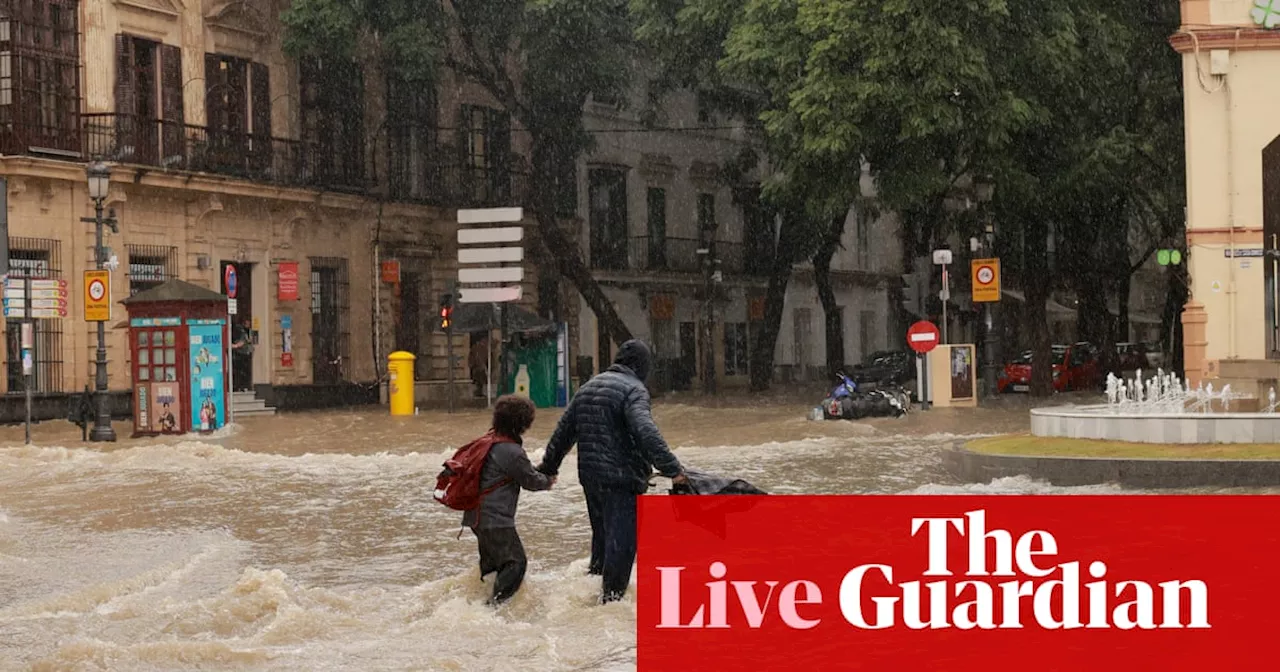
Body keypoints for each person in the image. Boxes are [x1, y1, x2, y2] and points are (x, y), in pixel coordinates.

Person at [537, 339, 688, 603]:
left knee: (603, 539)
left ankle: (590, 595)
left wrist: (549, 469)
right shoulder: (634, 390)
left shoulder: (587, 388)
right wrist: (673, 468)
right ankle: (611, 604)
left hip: (591, 478)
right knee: (623, 544)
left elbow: (563, 432)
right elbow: (645, 431)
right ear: (641, 366)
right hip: (621, 481)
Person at [465, 395, 556, 606]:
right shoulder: (511, 451)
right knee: (516, 563)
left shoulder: (489, 441)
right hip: (495, 519)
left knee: (493, 566)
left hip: (475, 517)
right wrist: (548, 481)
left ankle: (478, 604)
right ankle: (493, 608)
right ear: (522, 423)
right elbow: (531, 481)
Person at [231, 318, 253, 392]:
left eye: (249, 324)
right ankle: (239, 386)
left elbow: (244, 341)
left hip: (244, 353)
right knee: (240, 371)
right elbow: (241, 341)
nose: (248, 325)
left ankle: (242, 386)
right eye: (247, 323)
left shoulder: (246, 331)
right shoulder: (240, 330)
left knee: (243, 371)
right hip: (241, 353)